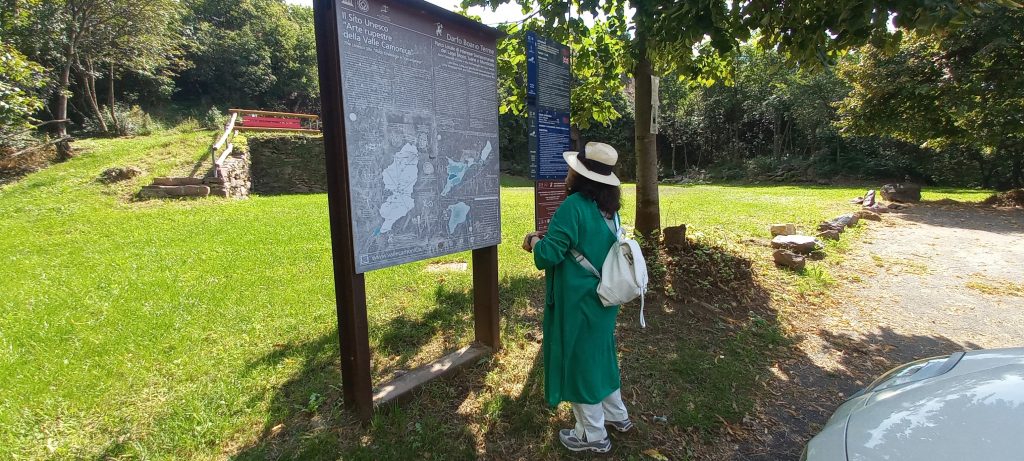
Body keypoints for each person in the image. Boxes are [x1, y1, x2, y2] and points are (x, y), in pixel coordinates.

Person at [522, 142, 634, 453]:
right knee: (601, 356)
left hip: (578, 301)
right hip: (605, 297)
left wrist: (533, 241)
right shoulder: (610, 210)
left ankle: (592, 435)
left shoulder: (573, 206)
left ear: (579, 175)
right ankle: (617, 415)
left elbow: (548, 255)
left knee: (580, 363)